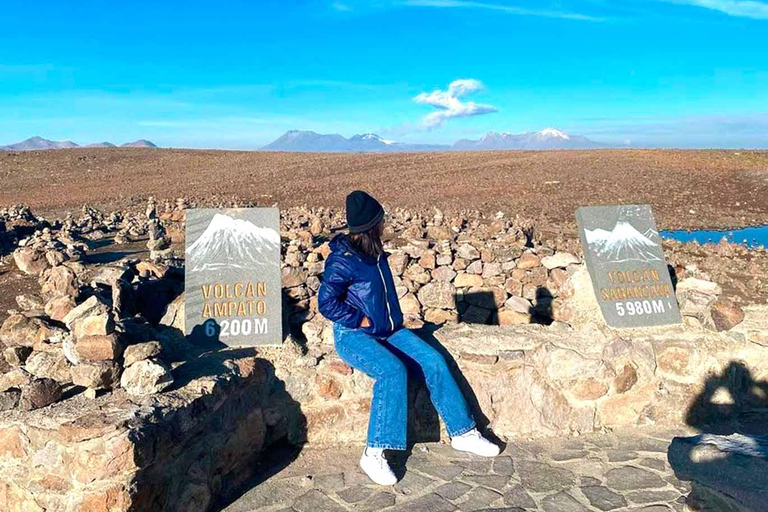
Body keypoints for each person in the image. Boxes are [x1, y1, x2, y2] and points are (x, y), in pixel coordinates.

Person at [318, 190, 500, 486]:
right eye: (381, 221)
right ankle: (374, 453)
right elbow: (326, 303)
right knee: (392, 371)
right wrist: (359, 319)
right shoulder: (344, 259)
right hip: (354, 335)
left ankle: (463, 432)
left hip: (389, 329)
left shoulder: (374, 252)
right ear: (370, 226)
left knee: (433, 360)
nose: (385, 225)